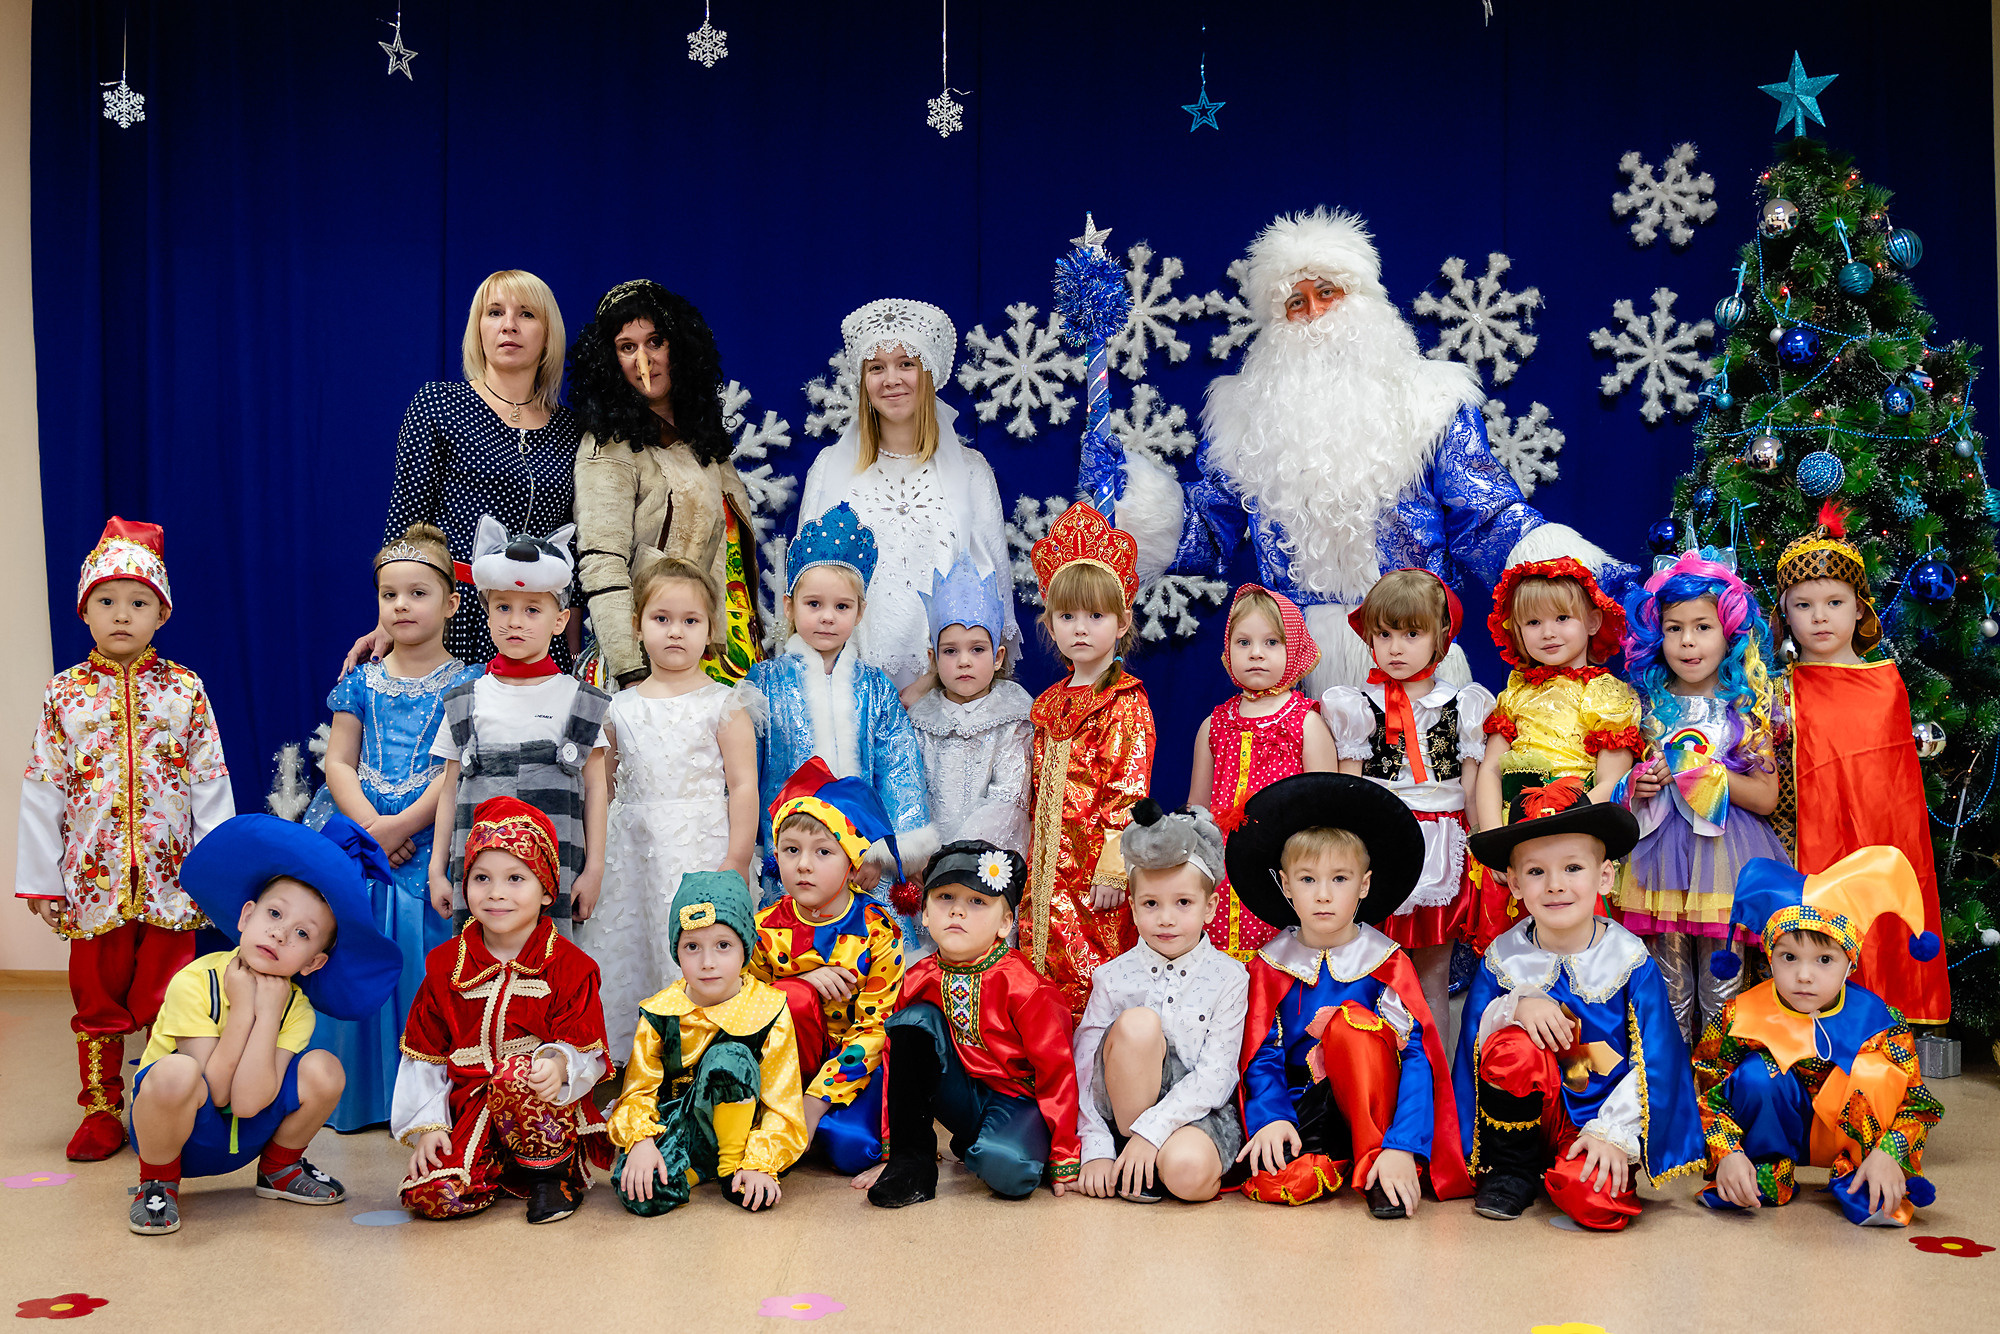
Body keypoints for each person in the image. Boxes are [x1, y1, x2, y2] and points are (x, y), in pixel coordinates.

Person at [1094, 207, 1633, 696]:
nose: (1314, 314)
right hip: (1298, 671)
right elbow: (1208, 529)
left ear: (1362, 300)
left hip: (1416, 658)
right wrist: (1131, 500)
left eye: (1327, 293)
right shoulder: (1244, 421)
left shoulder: (1431, 403)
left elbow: (1487, 517)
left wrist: (1573, 569)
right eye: (1296, 302)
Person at [16, 518, 235, 1161]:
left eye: (139, 602)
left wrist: (215, 871)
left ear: (161, 614)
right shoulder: (64, 694)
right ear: (84, 611)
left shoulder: (185, 689)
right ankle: (101, 1110)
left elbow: (210, 781)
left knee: (173, 998)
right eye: (106, 601)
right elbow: (42, 787)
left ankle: (164, 1103)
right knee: (97, 1000)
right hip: (93, 882)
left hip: (173, 881)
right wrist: (44, 878)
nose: (121, 614)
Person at [125, 814, 402, 1235]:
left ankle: (279, 1169)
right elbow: (216, 1092)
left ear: (314, 963)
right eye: (274, 913)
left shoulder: (295, 1008)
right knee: (176, 1071)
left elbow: (247, 1103)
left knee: (324, 1069)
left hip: (246, 1130)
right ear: (246, 916)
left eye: (303, 934)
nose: (280, 934)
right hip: (181, 1135)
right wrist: (242, 1011)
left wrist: (268, 1013)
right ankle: (156, 1183)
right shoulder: (195, 981)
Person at [1455, 779, 1705, 1230]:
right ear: (1515, 883)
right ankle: (1512, 1170)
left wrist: (1612, 1133)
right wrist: (1516, 1005)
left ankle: (1572, 1167)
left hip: (1600, 1117)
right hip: (1528, 1114)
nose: (1555, 886)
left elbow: (1657, 1061)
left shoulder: (1629, 960)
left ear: (1604, 877)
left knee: (1594, 1201)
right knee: (1511, 1048)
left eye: (1573, 868)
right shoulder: (1504, 957)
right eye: (1536, 872)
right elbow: (1473, 1046)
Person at [1226, 773, 1471, 1215]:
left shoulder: (1386, 962)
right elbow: (1261, 1056)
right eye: (1307, 880)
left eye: (1339, 879)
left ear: (1363, 885)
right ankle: (1320, 1151)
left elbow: (1418, 1057)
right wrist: (1272, 1118)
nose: (1323, 896)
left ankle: (1377, 1162)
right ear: (1285, 885)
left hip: (1378, 1106)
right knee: (1286, 1181)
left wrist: (1402, 1145)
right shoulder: (1269, 965)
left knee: (1349, 1025)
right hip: (1304, 1109)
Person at [304, 522, 481, 1131]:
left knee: (418, 952)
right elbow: (338, 762)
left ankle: (424, 1097)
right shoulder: (360, 682)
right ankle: (356, 1092)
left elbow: (456, 769)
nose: (401, 605)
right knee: (356, 946)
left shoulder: (468, 684)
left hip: (430, 836)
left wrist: (403, 824)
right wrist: (372, 827)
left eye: (417, 593)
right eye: (389, 595)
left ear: (451, 604)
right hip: (362, 834)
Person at [1693, 848, 1944, 1226]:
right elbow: (1705, 1092)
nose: (1804, 975)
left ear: (1850, 963)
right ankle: (1759, 1173)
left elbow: (1917, 1104)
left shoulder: (1880, 1021)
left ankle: (1864, 1178)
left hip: (1853, 1139)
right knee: (1757, 1075)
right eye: (1789, 957)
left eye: (1824, 960)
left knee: (1875, 1072)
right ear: (1769, 957)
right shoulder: (1739, 1016)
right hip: (1772, 1131)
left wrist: (1890, 1153)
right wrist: (1726, 1152)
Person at [1771, 503, 1949, 1025]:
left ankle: (1880, 1019)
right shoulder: (1777, 691)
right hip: (1807, 843)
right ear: (1785, 615)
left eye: (1834, 602)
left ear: (1859, 610)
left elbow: (1897, 790)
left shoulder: (1886, 686)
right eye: (1803, 605)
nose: (1819, 617)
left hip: (1877, 841)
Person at [396, 798, 615, 1224]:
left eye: (516, 878)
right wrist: (430, 1126)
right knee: (431, 1196)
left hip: (541, 1107)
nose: (496, 893)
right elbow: (425, 1053)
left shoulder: (570, 966)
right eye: (482, 878)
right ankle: (491, 1169)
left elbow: (587, 1047)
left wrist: (558, 1064)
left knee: (516, 1071)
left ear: (546, 889)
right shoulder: (445, 965)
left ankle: (553, 1176)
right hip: (471, 1109)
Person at [577, 554, 758, 1063]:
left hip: (703, 847)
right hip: (633, 852)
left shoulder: (724, 703)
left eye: (690, 620)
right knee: (636, 944)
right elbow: (603, 789)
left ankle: (703, 1056)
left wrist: (737, 859)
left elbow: (743, 786)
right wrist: (594, 861)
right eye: (661, 619)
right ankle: (636, 1060)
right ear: (638, 627)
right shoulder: (619, 708)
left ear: (711, 629)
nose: (675, 631)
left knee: (696, 943)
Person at [361, 270, 581, 670]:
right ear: (478, 329)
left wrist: (575, 649)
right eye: (494, 312)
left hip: (539, 624)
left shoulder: (572, 429)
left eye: (526, 314)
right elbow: (406, 524)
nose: (509, 325)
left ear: (549, 334)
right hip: (456, 617)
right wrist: (388, 620)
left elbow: (576, 545)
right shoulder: (439, 404)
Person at [1613, 551, 1790, 1044]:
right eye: (1674, 628)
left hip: (1725, 859)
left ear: (1730, 634)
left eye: (1703, 627)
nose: (1687, 641)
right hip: (1657, 861)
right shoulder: (1645, 705)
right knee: (1669, 989)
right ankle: (1669, 1079)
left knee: (1722, 988)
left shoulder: (1747, 706)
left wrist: (1703, 773)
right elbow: (1619, 783)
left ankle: (1718, 1079)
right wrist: (1637, 785)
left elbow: (1766, 797)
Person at [799, 298, 1018, 691]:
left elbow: (992, 589)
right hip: (850, 691)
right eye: (876, 367)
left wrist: (929, 687)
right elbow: (807, 584)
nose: (891, 379)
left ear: (928, 373)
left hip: (946, 691)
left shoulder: (971, 472)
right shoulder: (830, 468)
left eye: (905, 364)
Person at [744, 502, 936, 942]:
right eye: (814, 604)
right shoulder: (764, 683)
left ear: (860, 612)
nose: (827, 616)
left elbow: (900, 771)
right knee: (794, 955)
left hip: (866, 866)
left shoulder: (875, 688)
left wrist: (883, 854)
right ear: (790, 606)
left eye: (842, 606)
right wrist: (763, 848)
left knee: (870, 957)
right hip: (789, 862)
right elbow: (745, 773)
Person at [1324, 569, 1493, 1036]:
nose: (1395, 647)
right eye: (1384, 634)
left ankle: (1433, 1073)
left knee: (1433, 977)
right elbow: (1348, 791)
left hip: (1444, 848)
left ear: (1440, 637)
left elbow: (1473, 791)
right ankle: (1376, 1067)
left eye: (1411, 634)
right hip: (1379, 844)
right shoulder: (1355, 704)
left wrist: (1484, 850)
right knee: (1371, 972)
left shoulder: (1465, 704)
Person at [571, 280, 763, 688]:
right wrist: (631, 673)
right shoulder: (608, 446)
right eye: (627, 347)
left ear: (681, 347)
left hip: (726, 652)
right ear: (609, 361)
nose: (644, 360)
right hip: (654, 664)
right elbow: (602, 562)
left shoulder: (703, 440)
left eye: (655, 342)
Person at [867, 842, 1081, 1207]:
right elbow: (897, 1065)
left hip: (1017, 1099)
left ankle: (1000, 1144)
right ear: (925, 914)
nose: (957, 911)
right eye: (945, 897)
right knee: (912, 1024)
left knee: (1008, 1172)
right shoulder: (919, 978)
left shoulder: (1025, 987)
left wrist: (1064, 1156)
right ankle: (912, 1162)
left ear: (1005, 923)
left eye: (977, 901)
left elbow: (1057, 1071)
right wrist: (894, 1148)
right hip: (961, 1094)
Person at [427, 518, 611, 937]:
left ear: (560, 621)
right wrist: (438, 869)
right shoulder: (465, 700)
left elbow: (596, 789)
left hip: (557, 880)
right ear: (487, 612)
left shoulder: (577, 699)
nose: (515, 622)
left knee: (551, 966)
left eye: (532, 610)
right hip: (480, 887)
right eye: (503, 608)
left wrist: (594, 869)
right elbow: (449, 790)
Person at [1073, 801, 1247, 1204]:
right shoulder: (1112, 977)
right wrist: (1095, 1146)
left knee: (1189, 1175)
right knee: (1138, 1024)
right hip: (1121, 1115)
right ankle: (1129, 1159)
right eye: (1151, 904)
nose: (1166, 918)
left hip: (1194, 1114)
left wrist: (1151, 1132)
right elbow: (1084, 1066)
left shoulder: (1230, 978)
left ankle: (1150, 1162)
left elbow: (1217, 1075)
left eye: (1183, 903)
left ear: (1210, 908)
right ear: (1133, 908)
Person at [609, 871, 807, 1215]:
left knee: (728, 1059)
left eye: (723, 945)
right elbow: (638, 1092)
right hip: (683, 1128)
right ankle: (695, 1170)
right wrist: (641, 1142)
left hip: (746, 1135)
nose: (708, 962)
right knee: (641, 1194)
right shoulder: (660, 1012)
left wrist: (761, 1161)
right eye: (692, 947)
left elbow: (782, 1102)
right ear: (676, 951)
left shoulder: (769, 1008)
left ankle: (733, 1167)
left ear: (745, 948)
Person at [1024, 503, 1156, 1019]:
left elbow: (1129, 790)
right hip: (1044, 873)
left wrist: (1114, 867)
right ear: (1050, 624)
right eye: (1068, 617)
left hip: (1092, 878)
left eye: (1096, 616)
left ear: (1122, 622)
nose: (1081, 628)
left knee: (1091, 975)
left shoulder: (1124, 700)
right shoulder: (1050, 702)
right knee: (1037, 971)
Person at [750, 758, 907, 1179]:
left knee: (854, 1149)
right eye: (791, 850)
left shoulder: (877, 930)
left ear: (852, 863)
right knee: (792, 997)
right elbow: (740, 1007)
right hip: (783, 1062)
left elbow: (875, 1028)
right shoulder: (763, 927)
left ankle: (807, 1116)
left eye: (823, 852)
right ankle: (779, 1106)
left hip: (852, 1061)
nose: (803, 865)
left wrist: (814, 1103)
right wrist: (796, 982)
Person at [1187, 583, 1337, 960]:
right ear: (1228, 649)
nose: (1256, 653)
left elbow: (1326, 813)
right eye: (1243, 642)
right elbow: (1196, 810)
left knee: (1279, 960)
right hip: (1222, 871)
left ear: (1294, 648)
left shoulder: (1306, 722)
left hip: (1283, 866)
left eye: (1271, 642)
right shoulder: (1214, 724)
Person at [1475, 557, 1640, 839]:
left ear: (1592, 621)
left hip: (1580, 832)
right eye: (1533, 622)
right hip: (1516, 835)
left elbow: (1612, 780)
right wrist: (1494, 835)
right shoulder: (1514, 693)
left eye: (1562, 618)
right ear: (1517, 630)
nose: (1548, 633)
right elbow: (1491, 770)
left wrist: (1559, 827)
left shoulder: (1607, 695)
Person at [906, 551, 1034, 881]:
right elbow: (908, 789)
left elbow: (1008, 798)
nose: (964, 661)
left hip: (988, 866)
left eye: (977, 649)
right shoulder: (919, 721)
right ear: (933, 659)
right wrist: (919, 851)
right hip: (924, 868)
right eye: (951, 651)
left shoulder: (1012, 719)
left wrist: (954, 860)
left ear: (997, 656)